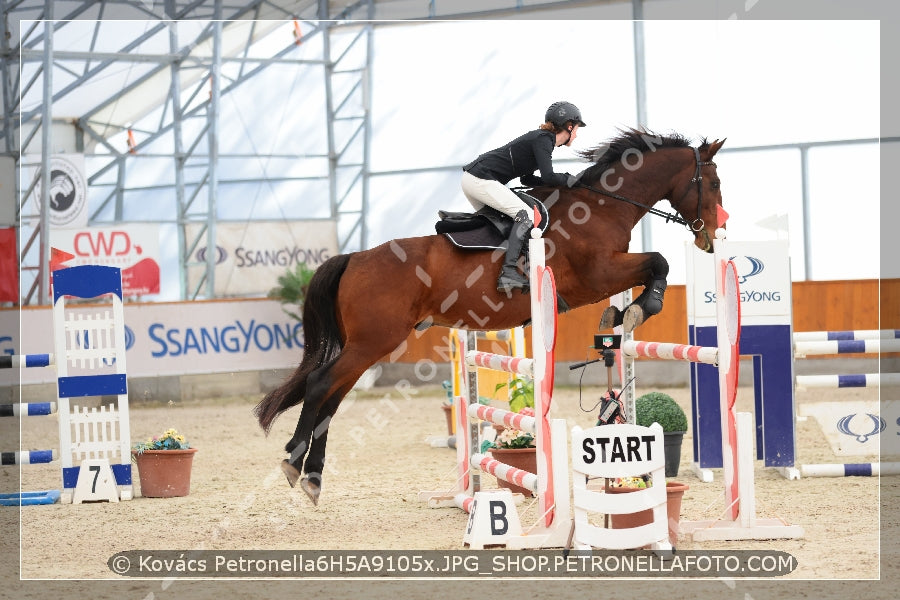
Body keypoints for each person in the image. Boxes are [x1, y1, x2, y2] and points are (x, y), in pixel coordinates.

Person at [461, 101, 586, 292]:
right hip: (480, 179)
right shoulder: (544, 140)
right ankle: (508, 273)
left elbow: (527, 179)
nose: (576, 134)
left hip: (474, 179)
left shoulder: (542, 140)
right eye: (576, 129)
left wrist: (555, 185)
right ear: (569, 126)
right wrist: (571, 180)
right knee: (526, 215)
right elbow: (549, 176)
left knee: (504, 222)